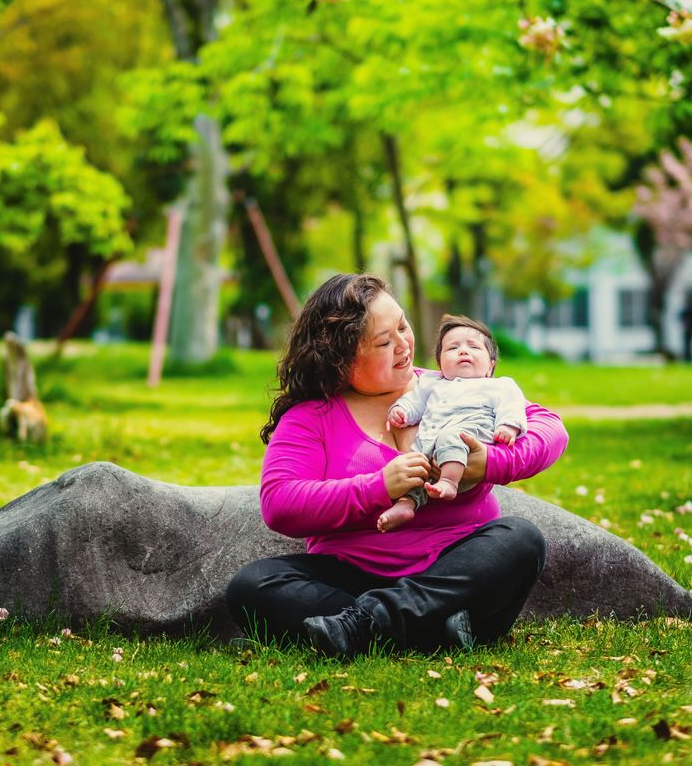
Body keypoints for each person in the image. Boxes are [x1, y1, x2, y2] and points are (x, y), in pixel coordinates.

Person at [225, 274, 567, 657]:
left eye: (403, 326)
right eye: (384, 342)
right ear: (341, 360)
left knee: (520, 539)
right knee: (252, 583)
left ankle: (361, 626)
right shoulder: (312, 417)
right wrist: (379, 487)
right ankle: (431, 629)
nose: (404, 345)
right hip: (353, 576)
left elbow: (550, 430)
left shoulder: (448, 385)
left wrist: (489, 462)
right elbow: (281, 504)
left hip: (453, 568)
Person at [377, 315, 527, 532]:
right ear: (440, 365)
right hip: (430, 442)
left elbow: (512, 405)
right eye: (453, 348)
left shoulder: (497, 386)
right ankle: (406, 504)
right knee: (414, 465)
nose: (463, 351)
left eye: (474, 347)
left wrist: (508, 426)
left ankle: (449, 482)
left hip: (469, 438)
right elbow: (414, 402)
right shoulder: (431, 383)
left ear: (490, 366)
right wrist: (402, 412)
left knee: (452, 436)